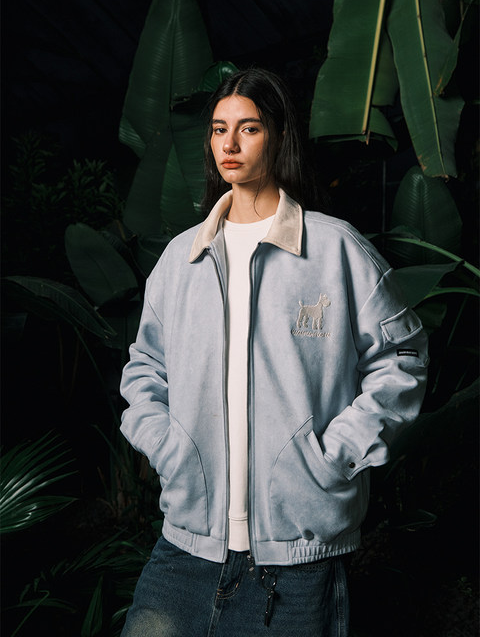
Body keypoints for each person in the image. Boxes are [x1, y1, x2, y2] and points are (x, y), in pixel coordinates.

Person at [119, 67, 428, 636]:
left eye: (249, 128)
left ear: (279, 136)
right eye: (219, 129)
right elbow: (145, 368)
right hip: (184, 551)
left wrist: (334, 456)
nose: (229, 144)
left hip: (298, 559)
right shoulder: (180, 260)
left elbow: (402, 358)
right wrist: (167, 446)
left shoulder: (334, 248)